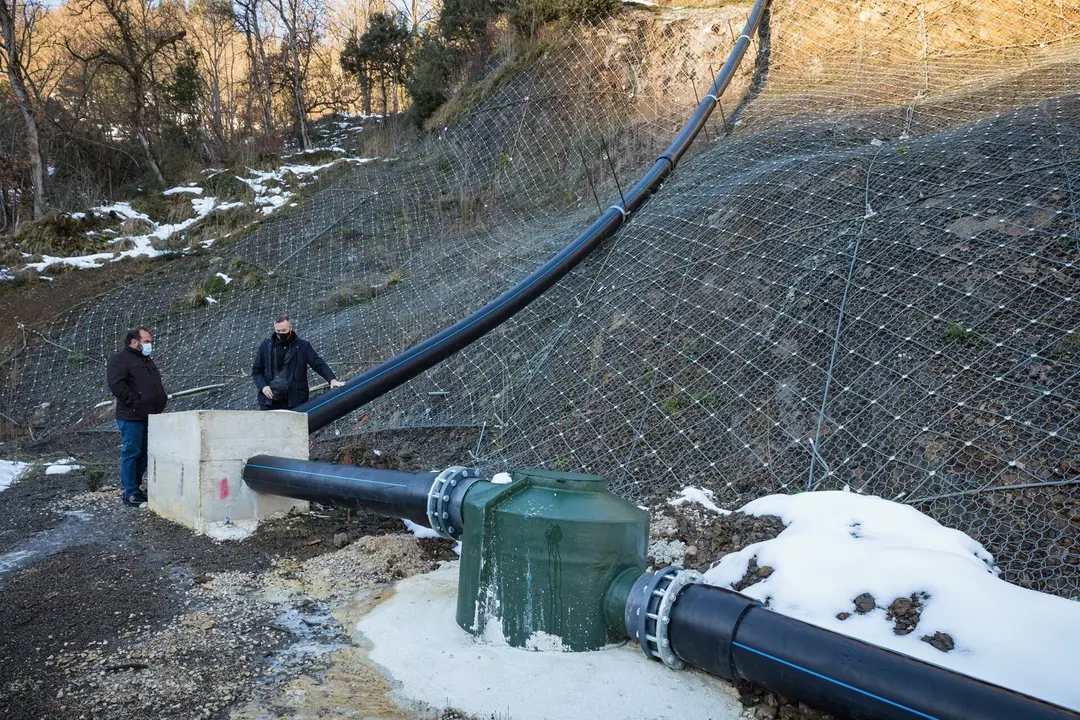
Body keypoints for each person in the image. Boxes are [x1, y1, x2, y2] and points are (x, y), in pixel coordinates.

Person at [106, 327, 167, 507]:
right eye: (147, 341)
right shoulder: (120, 359)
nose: (150, 344)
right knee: (131, 453)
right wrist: (135, 403)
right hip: (131, 416)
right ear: (135, 342)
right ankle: (130, 493)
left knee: (144, 454)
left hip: (150, 415)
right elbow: (116, 384)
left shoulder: (146, 360)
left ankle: (136, 489)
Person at [252, 315, 344, 411]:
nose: (281, 333)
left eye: (284, 330)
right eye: (278, 331)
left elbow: (318, 364)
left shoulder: (302, 346)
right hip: (269, 401)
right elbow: (256, 371)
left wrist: (332, 379)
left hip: (294, 400)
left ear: (290, 328)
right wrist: (263, 387)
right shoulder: (266, 346)